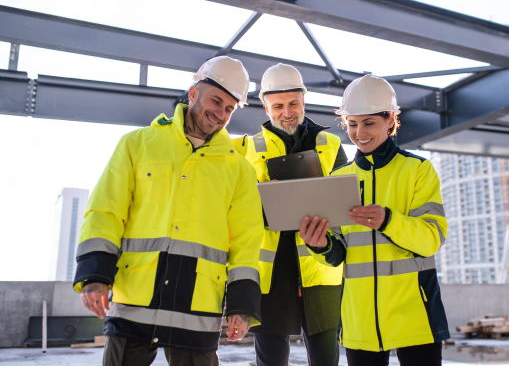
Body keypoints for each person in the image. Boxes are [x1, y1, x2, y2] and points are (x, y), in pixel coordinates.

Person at [73, 56, 264, 366]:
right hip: (136, 298)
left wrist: (241, 305)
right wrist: (95, 275)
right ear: (193, 94)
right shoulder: (137, 145)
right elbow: (105, 211)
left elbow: (246, 240)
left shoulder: (239, 169)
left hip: (198, 305)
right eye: (216, 101)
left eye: (229, 108)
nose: (220, 114)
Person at [299, 75, 449, 366]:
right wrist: (320, 246)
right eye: (352, 124)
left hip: (416, 314)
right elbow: (339, 254)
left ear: (390, 121)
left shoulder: (417, 170)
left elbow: (432, 238)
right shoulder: (338, 179)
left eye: (369, 123)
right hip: (360, 321)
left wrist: (388, 220)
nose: (359, 132)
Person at [233, 63, 348, 366]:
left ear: (303, 101)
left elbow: (346, 205)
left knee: (326, 359)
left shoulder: (331, 146)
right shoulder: (249, 150)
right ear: (266, 106)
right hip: (271, 276)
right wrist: (264, 200)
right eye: (279, 105)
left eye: (293, 103)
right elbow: (237, 211)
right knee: (270, 360)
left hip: (321, 271)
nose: (288, 112)